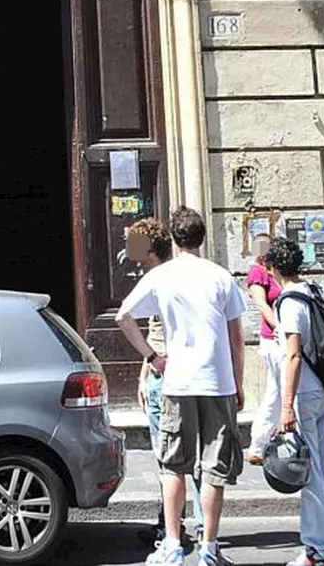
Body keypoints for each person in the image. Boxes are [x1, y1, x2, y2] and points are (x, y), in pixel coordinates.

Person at [116, 207, 246, 566]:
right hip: (217, 383)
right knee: (213, 470)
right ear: (202, 238)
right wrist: (238, 383)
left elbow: (123, 317)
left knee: (173, 466)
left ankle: (172, 544)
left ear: (173, 238)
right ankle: (209, 547)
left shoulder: (164, 276)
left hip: (178, 382)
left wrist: (153, 357)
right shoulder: (221, 277)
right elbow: (236, 338)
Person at [265, 238, 324, 566]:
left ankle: (317, 550)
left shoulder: (289, 300)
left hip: (304, 395)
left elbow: (294, 355)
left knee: (308, 472)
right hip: (322, 392)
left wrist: (286, 407)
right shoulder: (312, 291)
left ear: (274, 269)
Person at [126, 218, 205, 547]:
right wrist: (145, 372)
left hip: (168, 375)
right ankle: (193, 526)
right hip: (179, 372)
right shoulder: (174, 276)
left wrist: (152, 366)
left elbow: (132, 322)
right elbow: (156, 331)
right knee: (191, 454)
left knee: (170, 456)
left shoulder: (160, 279)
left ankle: (174, 528)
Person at [245, 233, 281, 466]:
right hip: (274, 339)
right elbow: (260, 303)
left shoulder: (274, 271)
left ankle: (259, 445)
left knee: (279, 391)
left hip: (281, 339)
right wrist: (280, 327)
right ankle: (257, 444)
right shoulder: (257, 272)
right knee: (279, 392)